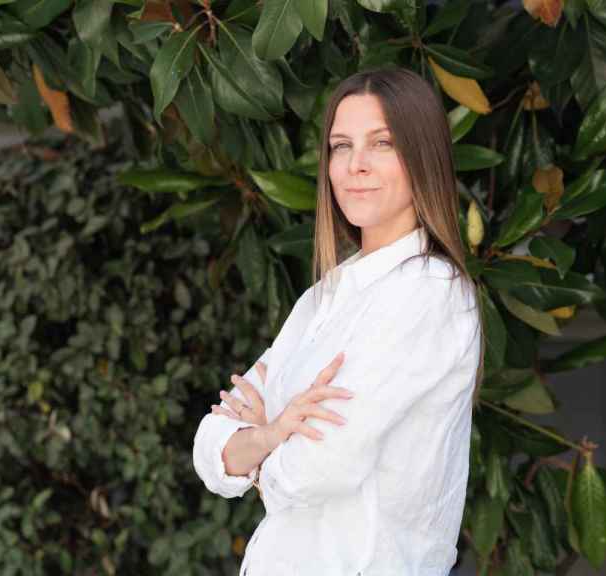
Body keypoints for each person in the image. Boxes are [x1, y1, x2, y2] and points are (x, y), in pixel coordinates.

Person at [192, 67, 485, 575]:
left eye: (382, 144)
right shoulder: (323, 298)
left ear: (423, 159)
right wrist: (274, 434)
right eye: (341, 146)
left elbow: (321, 466)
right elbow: (210, 446)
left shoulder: (431, 293)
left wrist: (260, 447)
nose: (356, 166)